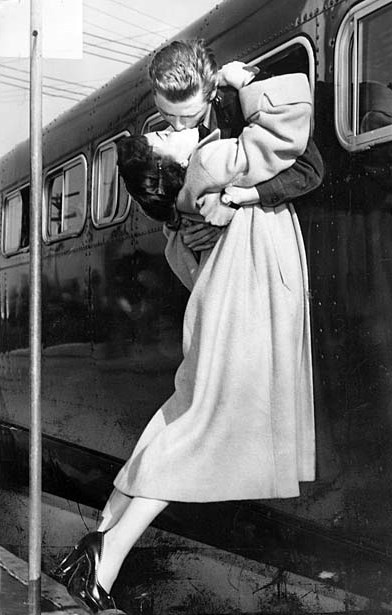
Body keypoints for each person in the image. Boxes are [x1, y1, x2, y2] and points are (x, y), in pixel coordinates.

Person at [53, 47, 320, 615]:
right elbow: (169, 206)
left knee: (189, 412)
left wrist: (245, 195)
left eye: (187, 111)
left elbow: (309, 168)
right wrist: (194, 194)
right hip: (226, 280)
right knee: (202, 420)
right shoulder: (165, 140)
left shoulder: (232, 109)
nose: (175, 124)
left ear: (206, 89)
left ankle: (98, 543)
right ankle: (106, 551)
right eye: (166, 114)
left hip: (244, 275)